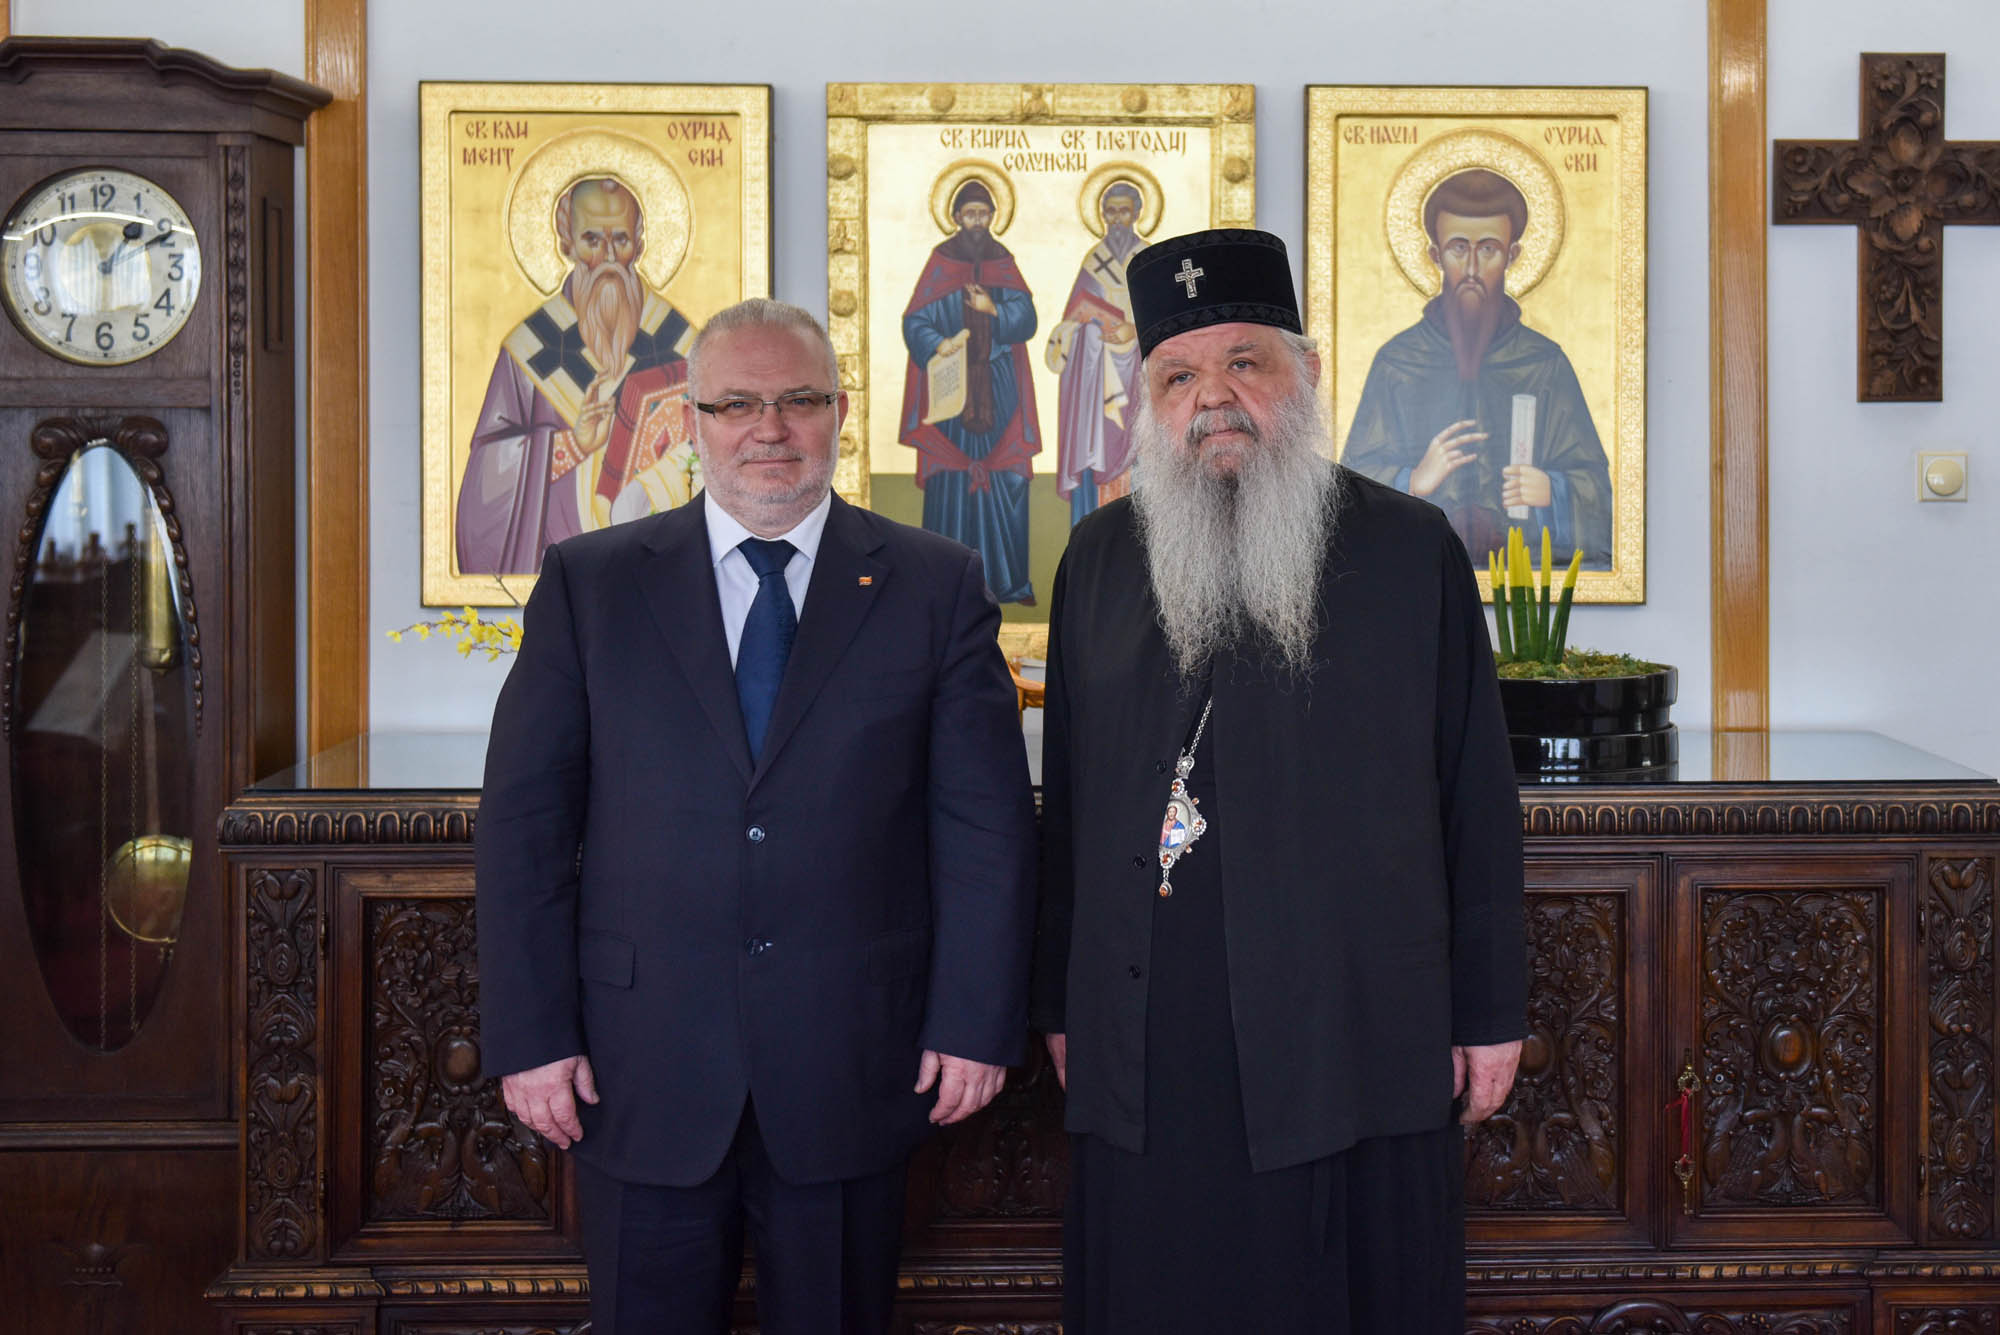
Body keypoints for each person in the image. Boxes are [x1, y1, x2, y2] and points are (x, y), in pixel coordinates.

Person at [477, 298, 1037, 1333]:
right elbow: (524, 830)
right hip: (635, 1067)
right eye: (735, 404)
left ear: (839, 413)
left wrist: (973, 1022)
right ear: (690, 420)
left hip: (853, 1060)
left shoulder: (935, 585)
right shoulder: (591, 584)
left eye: (798, 401)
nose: (768, 429)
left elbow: (984, 830)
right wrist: (531, 1034)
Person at [1031, 229, 1526, 1332]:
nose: (1212, 397)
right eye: (1177, 376)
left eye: (1243, 363)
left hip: (1357, 1026)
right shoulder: (1098, 561)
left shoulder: (1409, 551)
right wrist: (1061, 1007)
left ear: (1304, 373)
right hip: (1151, 1034)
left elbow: (1475, 800)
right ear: (1146, 402)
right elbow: (1070, 809)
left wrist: (1490, 1014)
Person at [1342, 167, 1614, 569]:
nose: (1471, 268)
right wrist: (1412, 481)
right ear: (1435, 255)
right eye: (1458, 248)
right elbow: (1349, 490)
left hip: (1524, 573)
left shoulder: (1545, 364)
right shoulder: (1398, 362)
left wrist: (1551, 491)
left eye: (1488, 249)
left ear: (1512, 256)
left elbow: (1596, 492)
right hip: (1418, 572)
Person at [457, 176, 701, 576]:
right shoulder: (531, 350)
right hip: (560, 575)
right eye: (592, 240)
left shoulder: (681, 345)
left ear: (639, 244)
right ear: (566, 241)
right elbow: (484, 488)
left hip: (659, 572)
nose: (608, 257)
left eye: (620, 240)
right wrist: (572, 445)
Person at [899, 179, 1040, 604]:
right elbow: (914, 321)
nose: (977, 221)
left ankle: (1008, 581)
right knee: (952, 480)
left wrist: (992, 308)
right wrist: (937, 343)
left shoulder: (1003, 261)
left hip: (999, 387)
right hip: (951, 389)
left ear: (993, 217)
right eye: (970, 213)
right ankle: (943, 582)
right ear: (957, 216)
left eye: (984, 213)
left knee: (1005, 476)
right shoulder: (940, 262)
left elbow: (1027, 319)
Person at [1045, 180, 1146, 525]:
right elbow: (1072, 319)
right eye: (1111, 212)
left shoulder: (1148, 259)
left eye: (1124, 211)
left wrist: (1135, 332)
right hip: (1096, 391)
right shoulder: (1094, 262)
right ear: (1102, 215)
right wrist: (1084, 331)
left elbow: (1169, 326)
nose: (1117, 220)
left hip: (1139, 380)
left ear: (1137, 214)